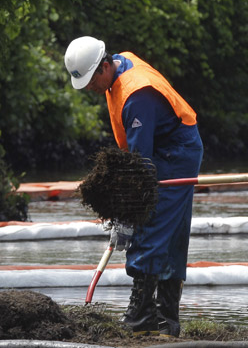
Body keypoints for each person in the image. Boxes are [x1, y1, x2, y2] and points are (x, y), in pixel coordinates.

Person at [64, 36, 203, 337]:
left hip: (174, 154)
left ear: (104, 65)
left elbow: (141, 167)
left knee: (149, 224)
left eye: (91, 80)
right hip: (162, 148)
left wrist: (128, 216)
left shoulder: (137, 93)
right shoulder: (117, 68)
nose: (90, 88)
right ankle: (166, 320)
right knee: (170, 230)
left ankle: (141, 316)